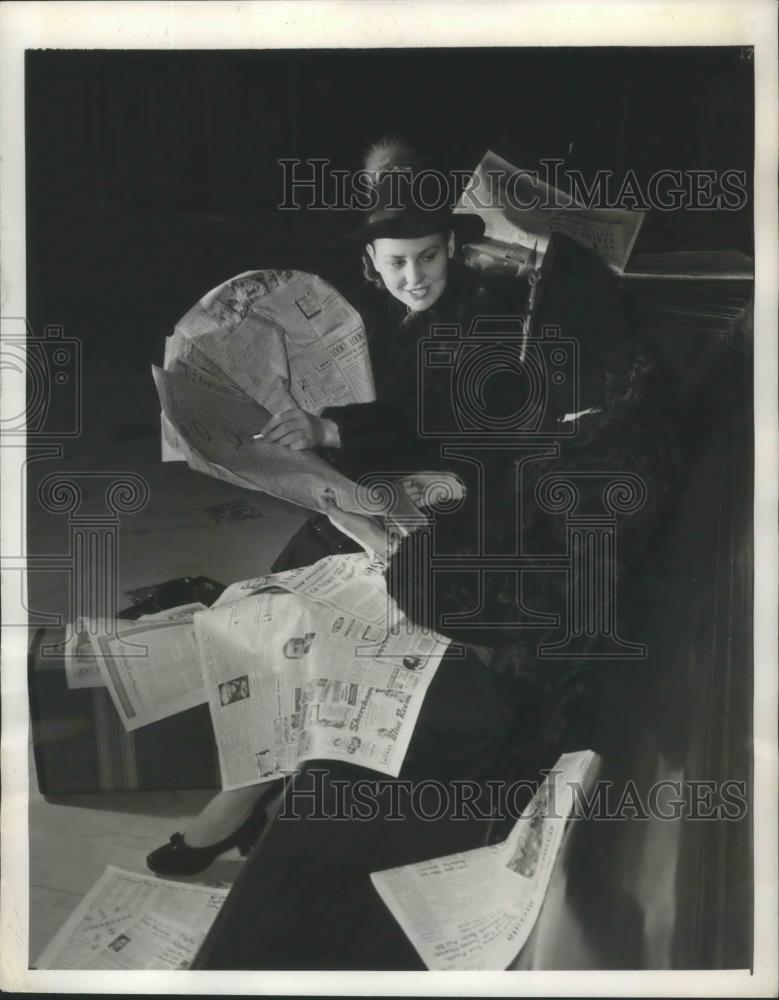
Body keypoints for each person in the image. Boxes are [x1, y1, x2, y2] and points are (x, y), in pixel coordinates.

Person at [147, 138, 679, 876]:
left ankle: (245, 800)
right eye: (395, 264)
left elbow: (460, 431)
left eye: (426, 258)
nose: (412, 277)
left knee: (314, 605)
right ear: (371, 265)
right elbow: (401, 414)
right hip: (410, 492)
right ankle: (251, 786)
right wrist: (320, 436)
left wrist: (344, 438)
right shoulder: (387, 314)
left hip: (471, 504)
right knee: (273, 593)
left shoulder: (485, 314)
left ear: (449, 251)